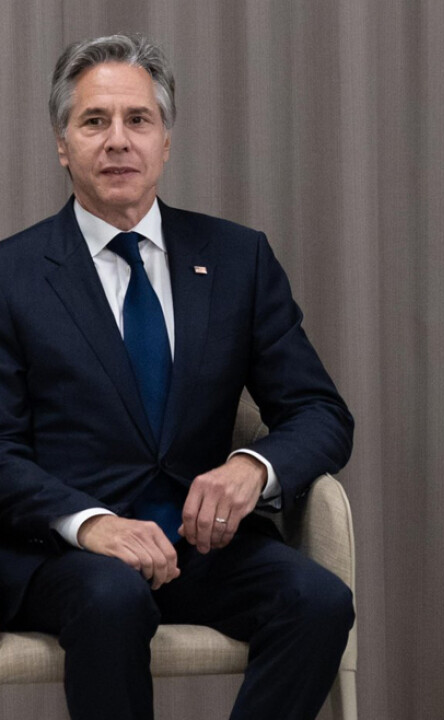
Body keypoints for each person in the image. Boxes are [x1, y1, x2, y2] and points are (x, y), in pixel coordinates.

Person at [0, 34, 355, 720]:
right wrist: (92, 524)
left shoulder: (237, 259)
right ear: (62, 144)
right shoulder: (11, 276)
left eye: (138, 119)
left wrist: (252, 468)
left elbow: (320, 411)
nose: (118, 140)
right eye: (94, 121)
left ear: (165, 141)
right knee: (111, 596)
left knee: (318, 601)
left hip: (202, 547)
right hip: (65, 556)